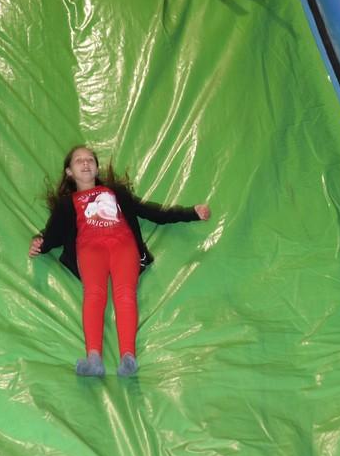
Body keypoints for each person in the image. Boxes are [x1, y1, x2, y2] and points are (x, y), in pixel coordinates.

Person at [29, 146, 211, 377]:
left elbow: (151, 212)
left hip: (123, 247)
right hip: (90, 250)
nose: (85, 163)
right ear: (69, 172)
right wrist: (40, 242)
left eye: (90, 160)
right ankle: (94, 359)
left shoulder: (115, 192)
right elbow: (54, 233)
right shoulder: (68, 203)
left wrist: (191, 213)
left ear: (97, 169)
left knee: (125, 294)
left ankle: (128, 358)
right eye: (78, 161)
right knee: (94, 295)